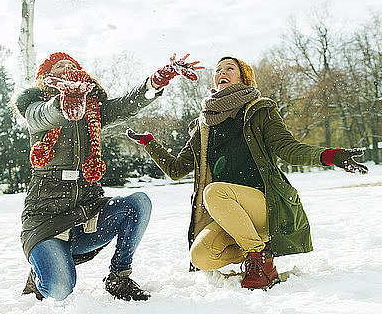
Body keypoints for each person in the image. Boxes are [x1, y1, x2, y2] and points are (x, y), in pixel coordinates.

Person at [126, 56, 368, 290]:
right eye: (218, 70)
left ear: (244, 78)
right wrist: (150, 144)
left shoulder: (259, 110)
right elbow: (177, 169)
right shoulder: (204, 125)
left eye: (229, 68)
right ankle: (256, 250)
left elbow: (288, 148)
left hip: (265, 206)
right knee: (201, 257)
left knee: (214, 192)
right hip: (231, 214)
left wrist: (330, 155)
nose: (221, 73)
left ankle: (260, 261)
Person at [14, 52, 203, 301]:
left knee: (138, 203)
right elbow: (46, 114)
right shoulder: (35, 107)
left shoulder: (92, 109)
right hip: (46, 221)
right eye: (59, 66)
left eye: (72, 65)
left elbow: (125, 105)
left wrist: (155, 83)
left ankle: (118, 276)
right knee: (59, 290)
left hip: (86, 214)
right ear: (47, 76)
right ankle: (43, 268)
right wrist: (66, 102)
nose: (67, 69)